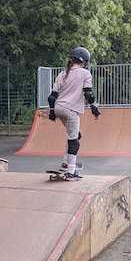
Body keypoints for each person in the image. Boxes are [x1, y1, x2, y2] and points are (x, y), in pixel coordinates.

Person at [47, 46, 101, 179]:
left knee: (76, 135)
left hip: (59, 108)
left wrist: (52, 112)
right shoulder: (85, 73)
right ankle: (71, 170)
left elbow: (52, 96)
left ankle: (66, 163)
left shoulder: (63, 73)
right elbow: (88, 93)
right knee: (74, 141)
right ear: (84, 61)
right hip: (71, 110)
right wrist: (93, 106)